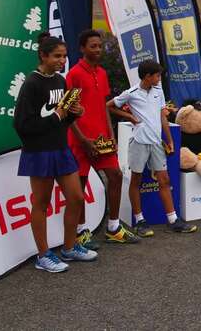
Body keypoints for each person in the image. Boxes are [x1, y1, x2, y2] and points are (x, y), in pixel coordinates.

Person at [13, 33, 97, 272]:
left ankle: (69, 248)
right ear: (43, 55)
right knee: (41, 203)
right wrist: (58, 116)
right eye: (57, 56)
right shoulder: (32, 83)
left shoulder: (60, 81)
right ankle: (43, 256)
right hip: (39, 152)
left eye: (64, 56)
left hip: (61, 149)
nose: (62, 60)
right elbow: (22, 125)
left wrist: (73, 114)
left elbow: (63, 118)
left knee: (76, 197)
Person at [67, 30, 139, 247]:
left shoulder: (102, 73)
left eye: (99, 46)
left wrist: (111, 134)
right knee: (80, 186)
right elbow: (67, 111)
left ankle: (113, 228)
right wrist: (82, 139)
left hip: (102, 139)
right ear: (82, 48)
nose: (98, 50)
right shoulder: (75, 74)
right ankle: (80, 232)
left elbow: (103, 106)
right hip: (80, 140)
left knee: (116, 176)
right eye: (93, 46)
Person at [107, 60, 197, 235]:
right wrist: (129, 116)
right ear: (147, 76)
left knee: (164, 180)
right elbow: (109, 106)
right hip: (139, 143)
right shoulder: (131, 93)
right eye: (157, 75)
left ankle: (173, 220)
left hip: (156, 143)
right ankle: (140, 221)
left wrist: (169, 139)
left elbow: (162, 116)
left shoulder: (158, 91)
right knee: (136, 180)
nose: (159, 78)